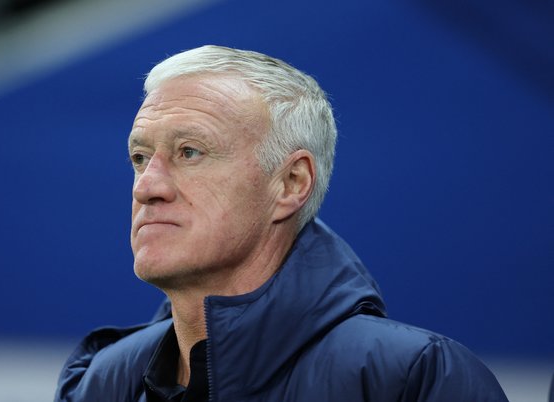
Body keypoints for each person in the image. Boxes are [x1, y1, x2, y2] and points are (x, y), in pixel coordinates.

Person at [55, 45, 508, 402]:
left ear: (291, 183)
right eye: (139, 157)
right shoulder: (103, 382)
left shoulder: (411, 380)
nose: (147, 186)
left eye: (189, 152)